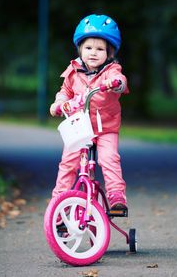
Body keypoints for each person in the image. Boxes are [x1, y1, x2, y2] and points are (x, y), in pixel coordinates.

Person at [50, 14, 129, 211]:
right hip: (80, 128)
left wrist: (116, 83)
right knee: (68, 163)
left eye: (100, 49)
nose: (93, 53)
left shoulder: (111, 70)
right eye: (88, 48)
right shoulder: (73, 70)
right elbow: (65, 91)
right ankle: (60, 204)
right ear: (80, 49)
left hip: (106, 128)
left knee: (108, 159)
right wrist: (59, 103)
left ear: (109, 53)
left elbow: (121, 81)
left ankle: (116, 196)